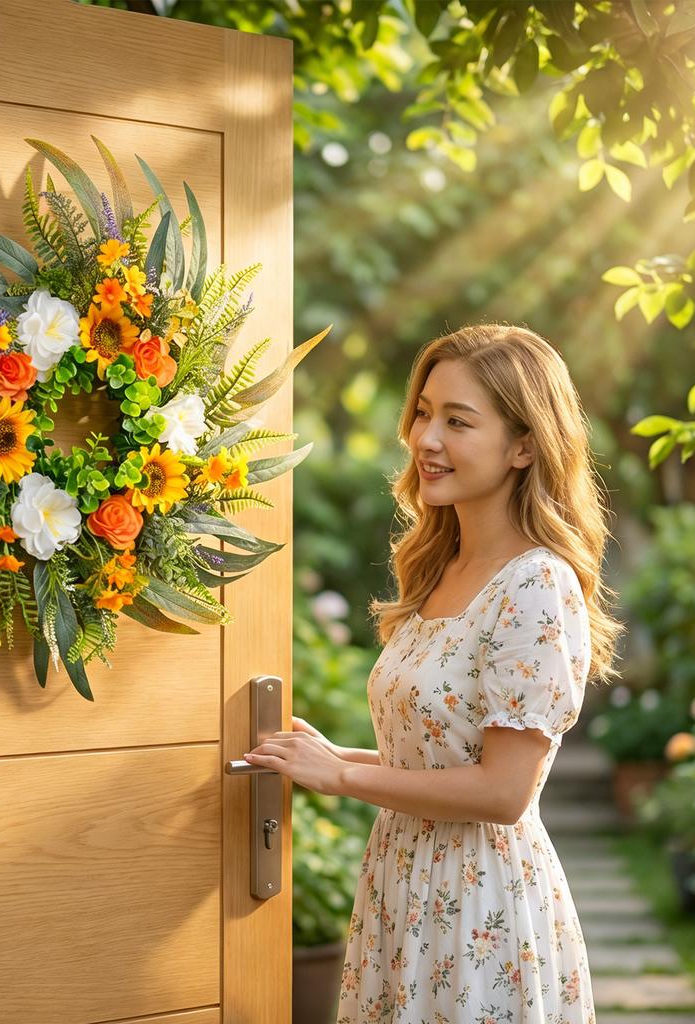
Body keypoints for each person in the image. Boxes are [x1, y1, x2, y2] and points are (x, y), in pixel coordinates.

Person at [242, 324, 625, 1023]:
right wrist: (329, 757)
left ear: (524, 446)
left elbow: (503, 790)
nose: (427, 439)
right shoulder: (442, 567)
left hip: (478, 907)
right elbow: (440, 759)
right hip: (403, 886)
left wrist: (344, 777)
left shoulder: (536, 583)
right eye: (423, 412)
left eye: (458, 421)